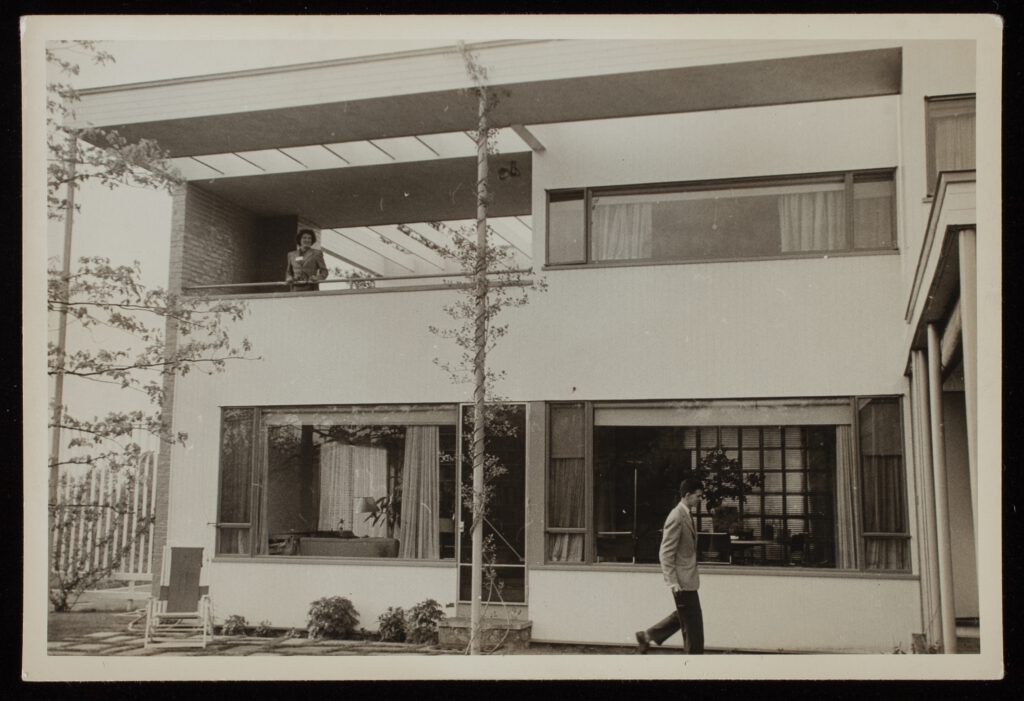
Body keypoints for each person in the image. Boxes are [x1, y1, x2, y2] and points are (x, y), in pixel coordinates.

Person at [635, 477, 705, 655]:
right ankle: (693, 665)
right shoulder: (676, 516)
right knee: (693, 628)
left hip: (687, 579)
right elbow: (665, 553)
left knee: (685, 617)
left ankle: (647, 635)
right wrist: (673, 582)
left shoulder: (685, 514)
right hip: (681, 582)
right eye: (698, 496)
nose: (700, 500)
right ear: (687, 495)